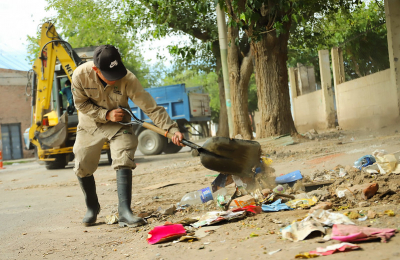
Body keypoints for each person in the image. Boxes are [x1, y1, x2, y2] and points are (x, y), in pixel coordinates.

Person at [71, 45, 184, 227]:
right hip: (90, 122)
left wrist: (171, 130)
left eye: (117, 74)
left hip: (119, 123)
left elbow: (150, 107)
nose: (115, 80)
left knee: (124, 153)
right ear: (95, 69)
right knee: (82, 162)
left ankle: (124, 211)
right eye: (109, 75)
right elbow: (81, 105)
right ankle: (92, 207)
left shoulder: (128, 78)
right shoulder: (79, 76)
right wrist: (105, 115)